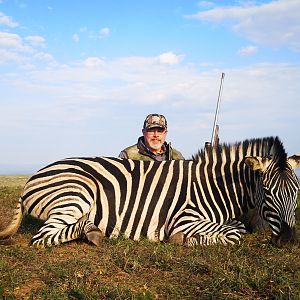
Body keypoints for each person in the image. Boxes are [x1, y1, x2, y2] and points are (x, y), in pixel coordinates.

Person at [119, 113, 184, 161]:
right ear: (143, 132)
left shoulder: (177, 157)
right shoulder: (127, 155)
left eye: (159, 131)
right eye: (151, 131)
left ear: (165, 133)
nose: (156, 135)